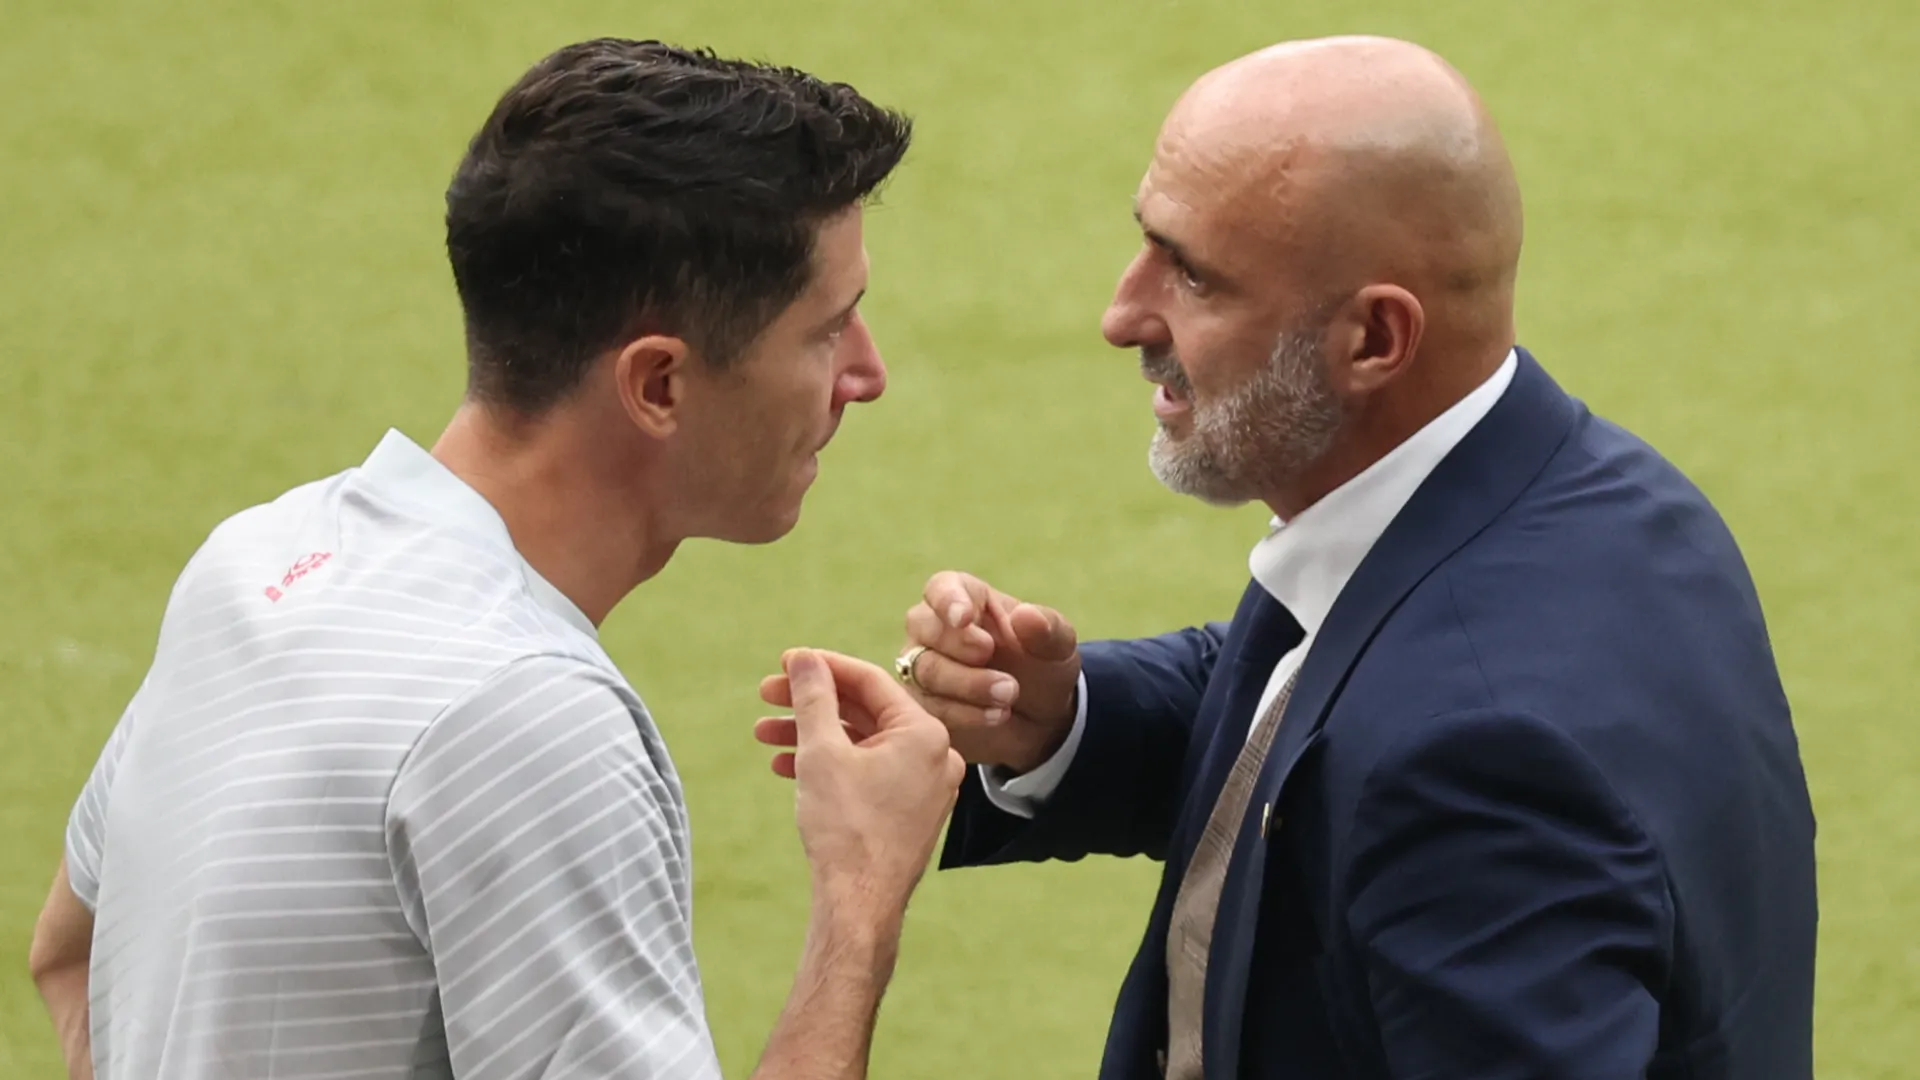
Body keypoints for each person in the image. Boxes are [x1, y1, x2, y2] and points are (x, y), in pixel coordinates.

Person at [868, 34, 1817, 1080]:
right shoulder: (1616, 508)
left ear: (1373, 340)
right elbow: (1326, 689)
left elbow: (1420, 736)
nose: (1122, 315)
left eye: (1194, 277)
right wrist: (1064, 720)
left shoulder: (1475, 765)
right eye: (1147, 243)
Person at [28, 38, 965, 1080]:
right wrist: (859, 893)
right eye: (829, 330)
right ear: (658, 385)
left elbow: (66, 954)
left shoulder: (256, 562)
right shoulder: (526, 723)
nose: (867, 374)